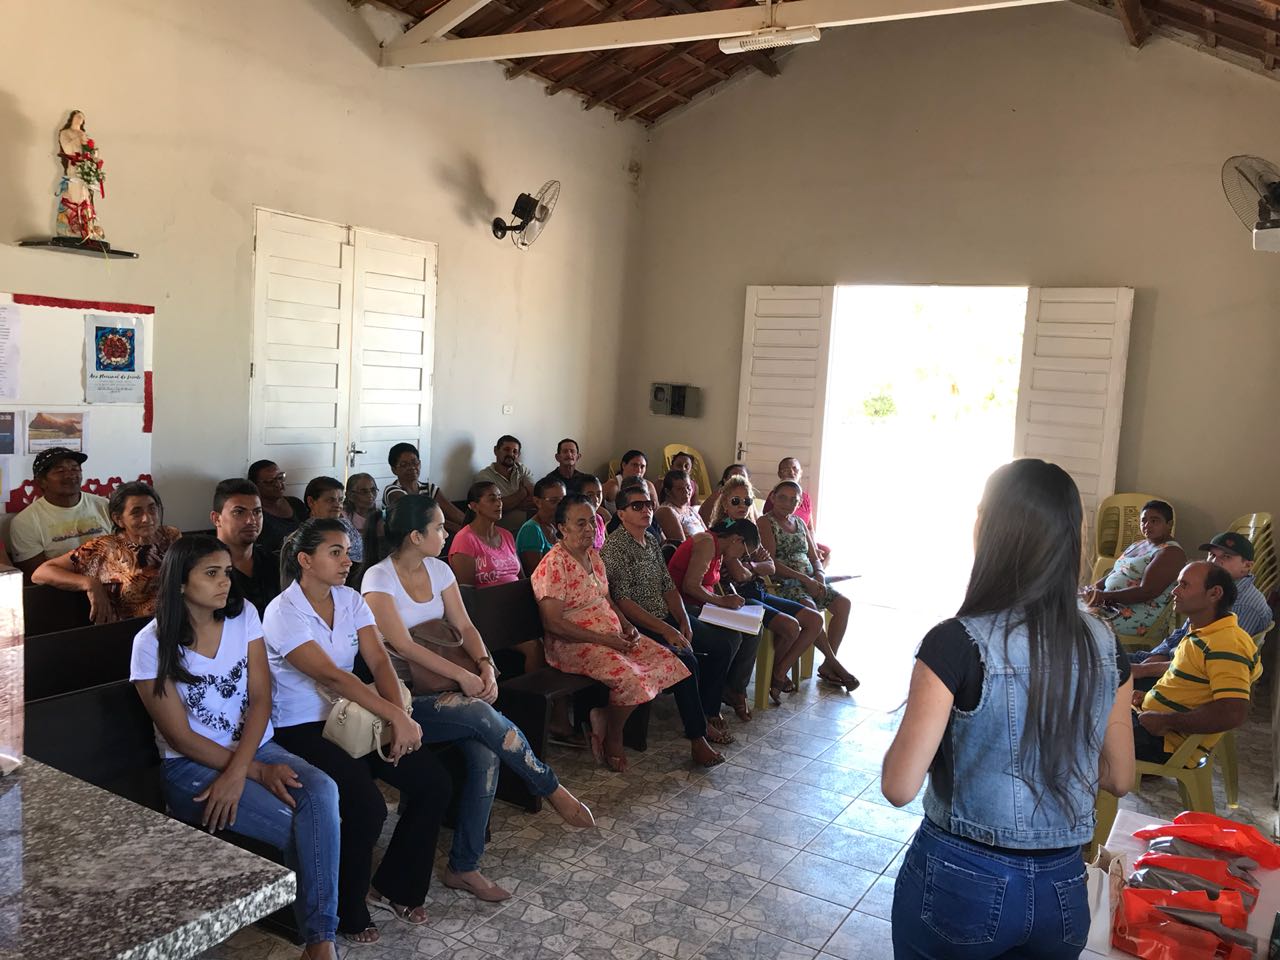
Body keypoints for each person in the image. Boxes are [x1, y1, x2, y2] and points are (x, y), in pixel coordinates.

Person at [881, 459, 1135, 960]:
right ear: (1070, 540)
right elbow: (1120, 777)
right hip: (1063, 887)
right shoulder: (1105, 644)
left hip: (961, 880)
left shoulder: (955, 642)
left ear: (992, 530)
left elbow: (898, 786)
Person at [362, 495, 594, 900]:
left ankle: (464, 867)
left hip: (450, 688)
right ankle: (548, 786)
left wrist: (485, 665)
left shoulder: (439, 569)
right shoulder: (379, 579)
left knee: (485, 753)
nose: (446, 532)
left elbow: (466, 626)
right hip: (404, 700)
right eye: (438, 528)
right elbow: (402, 645)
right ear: (415, 536)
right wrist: (464, 678)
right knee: (479, 714)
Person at [130, 536, 341, 960]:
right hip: (190, 768)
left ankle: (320, 941)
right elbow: (180, 738)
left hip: (255, 751)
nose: (225, 581)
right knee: (304, 830)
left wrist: (251, 768)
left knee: (323, 791)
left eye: (226, 572)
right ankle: (320, 943)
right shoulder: (150, 644)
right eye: (211, 573)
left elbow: (261, 698)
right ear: (180, 582)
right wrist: (250, 772)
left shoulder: (244, 615)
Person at [264, 518, 450, 946]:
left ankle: (394, 885)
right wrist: (396, 717)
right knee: (367, 807)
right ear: (305, 560)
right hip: (302, 728)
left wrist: (395, 716)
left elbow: (379, 662)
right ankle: (348, 909)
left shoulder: (349, 599)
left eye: (348, 551)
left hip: (355, 717)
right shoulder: (282, 611)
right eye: (336, 552)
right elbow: (332, 676)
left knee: (432, 782)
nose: (348, 560)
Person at [531, 494, 690, 772]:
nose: (589, 529)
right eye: (580, 524)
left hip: (611, 636)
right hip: (572, 644)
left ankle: (605, 715)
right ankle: (612, 737)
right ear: (562, 528)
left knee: (667, 661)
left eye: (592, 522)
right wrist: (605, 639)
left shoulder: (594, 556)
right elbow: (553, 623)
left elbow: (607, 601)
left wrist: (627, 626)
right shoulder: (554, 564)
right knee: (631, 678)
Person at [602, 484, 738, 766]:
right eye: (637, 506)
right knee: (687, 661)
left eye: (648, 505)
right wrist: (667, 629)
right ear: (622, 513)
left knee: (722, 645)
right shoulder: (615, 547)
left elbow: (668, 586)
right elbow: (624, 602)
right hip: (640, 624)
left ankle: (708, 712)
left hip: (666, 617)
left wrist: (683, 619)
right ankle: (697, 738)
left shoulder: (651, 539)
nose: (646, 510)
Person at [1132, 561, 1262, 766]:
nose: (1175, 591)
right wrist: (1148, 697)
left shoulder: (1227, 643)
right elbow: (1189, 675)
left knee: (1082, 729)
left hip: (1165, 744)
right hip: (1154, 727)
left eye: (1184, 585)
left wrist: (1165, 721)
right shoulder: (1205, 631)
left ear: (1214, 594)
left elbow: (1233, 712)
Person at [712, 481, 822, 704]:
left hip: (758, 590)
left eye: (747, 501)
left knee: (814, 619)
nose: (742, 505)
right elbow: (738, 574)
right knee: (791, 627)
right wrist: (754, 567)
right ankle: (768, 678)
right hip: (740, 597)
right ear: (725, 503)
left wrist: (751, 568)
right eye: (736, 501)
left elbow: (769, 566)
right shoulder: (721, 532)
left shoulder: (749, 530)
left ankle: (779, 671)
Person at [1130, 531, 1271, 689]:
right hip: (1171, 660)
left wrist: (1144, 669)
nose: (1215, 562)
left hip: (1189, 680)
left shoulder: (1241, 606)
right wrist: (1156, 656)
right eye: (1211, 555)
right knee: (1105, 659)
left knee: (1109, 681)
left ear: (1247, 566)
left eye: (1226, 557)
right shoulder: (1212, 591)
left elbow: (1204, 665)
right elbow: (1182, 633)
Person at [759, 481, 859, 690]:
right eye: (782, 498)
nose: (787, 503)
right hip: (784, 583)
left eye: (793, 500)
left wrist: (820, 576)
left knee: (843, 604)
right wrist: (806, 580)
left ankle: (827, 665)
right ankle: (834, 665)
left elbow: (814, 556)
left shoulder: (800, 523)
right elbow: (772, 564)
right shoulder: (765, 522)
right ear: (773, 497)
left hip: (811, 580)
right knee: (811, 610)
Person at [33, 481, 180, 623]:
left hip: (175, 623)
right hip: (128, 632)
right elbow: (41, 573)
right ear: (118, 519)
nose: (147, 518)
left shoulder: (171, 536)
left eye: (152, 509)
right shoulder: (104, 547)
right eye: (136, 512)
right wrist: (89, 583)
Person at [667, 521, 765, 722]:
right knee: (731, 639)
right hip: (683, 607)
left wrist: (723, 601)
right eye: (744, 553)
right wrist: (721, 601)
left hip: (704, 607)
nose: (741, 558)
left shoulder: (720, 551)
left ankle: (734, 688)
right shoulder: (706, 542)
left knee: (755, 629)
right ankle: (709, 702)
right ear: (737, 539)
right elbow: (690, 586)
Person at [1082, 499, 1186, 638]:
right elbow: (1115, 573)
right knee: (1065, 610)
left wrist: (1103, 597)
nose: (1147, 525)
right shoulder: (1137, 545)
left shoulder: (1171, 553)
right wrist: (1093, 590)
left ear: (1169, 524)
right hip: (1110, 604)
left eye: (1154, 521)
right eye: (1143, 521)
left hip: (1135, 613)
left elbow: (1147, 592)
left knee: (1078, 622)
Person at [8, 446, 112, 577]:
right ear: (41, 481)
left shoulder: (104, 505)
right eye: (60, 471)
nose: (70, 475)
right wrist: (87, 583)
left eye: (75, 469)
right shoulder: (25, 522)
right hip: (59, 593)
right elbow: (36, 576)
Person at [211, 478, 279, 617]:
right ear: (216, 519)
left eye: (257, 512)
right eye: (239, 512)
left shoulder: (273, 563)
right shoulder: (204, 569)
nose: (251, 520)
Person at [449, 481, 521, 588]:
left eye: (500, 498)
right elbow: (468, 592)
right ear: (474, 506)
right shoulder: (464, 539)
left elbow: (522, 578)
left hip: (517, 598)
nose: (499, 503)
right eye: (492, 499)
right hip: (487, 602)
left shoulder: (507, 535)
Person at [382, 443, 465, 534]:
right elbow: (417, 517)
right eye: (404, 465)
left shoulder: (429, 489)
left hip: (427, 538)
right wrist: (460, 530)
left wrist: (472, 526)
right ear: (394, 470)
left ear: (420, 464)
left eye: (414, 462)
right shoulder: (392, 490)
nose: (412, 467)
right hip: (400, 541)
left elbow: (454, 513)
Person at [763, 458, 830, 565]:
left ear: (801, 472)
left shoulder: (805, 498)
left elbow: (810, 528)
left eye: (795, 469)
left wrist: (814, 547)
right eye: (786, 469)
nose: (791, 472)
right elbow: (771, 528)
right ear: (779, 474)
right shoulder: (776, 497)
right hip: (787, 543)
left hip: (804, 541)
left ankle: (816, 576)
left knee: (826, 552)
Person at [473, 435, 535, 532]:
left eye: (515, 451)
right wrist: (522, 493)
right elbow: (493, 507)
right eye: (506, 449)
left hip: (526, 526)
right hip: (499, 528)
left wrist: (512, 504)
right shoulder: (484, 476)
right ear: (496, 451)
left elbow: (534, 497)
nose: (510, 454)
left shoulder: (522, 469)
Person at [250, 460, 307, 555]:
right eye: (269, 482)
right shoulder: (256, 514)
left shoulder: (296, 504)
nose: (278, 484)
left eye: (280, 477)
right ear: (255, 485)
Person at [305, 477, 363, 566]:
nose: (338, 505)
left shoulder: (343, 522)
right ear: (311, 502)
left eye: (340, 500)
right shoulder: (312, 534)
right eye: (330, 500)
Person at [517, 477, 565, 576]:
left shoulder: (559, 525)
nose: (560, 506)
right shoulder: (531, 529)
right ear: (537, 502)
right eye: (553, 501)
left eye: (563, 501)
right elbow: (536, 574)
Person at [343, 473, 386, 568]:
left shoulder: (380, 517)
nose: (370, 495)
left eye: (373, 490)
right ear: (350, 495)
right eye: (363, 492)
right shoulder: (343, 518)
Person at [655, 470, 706, 546]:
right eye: (680, 489)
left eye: (688, 487)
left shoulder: (691, 510)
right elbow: (682, 546)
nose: (686, 492)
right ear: (668, 492)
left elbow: (708, 534)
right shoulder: (665, 511)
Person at [577, 474, 609, 550]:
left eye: (598, 494)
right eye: (590, 495)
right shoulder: (577, 522)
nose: (596, 499)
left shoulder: (599, 519)